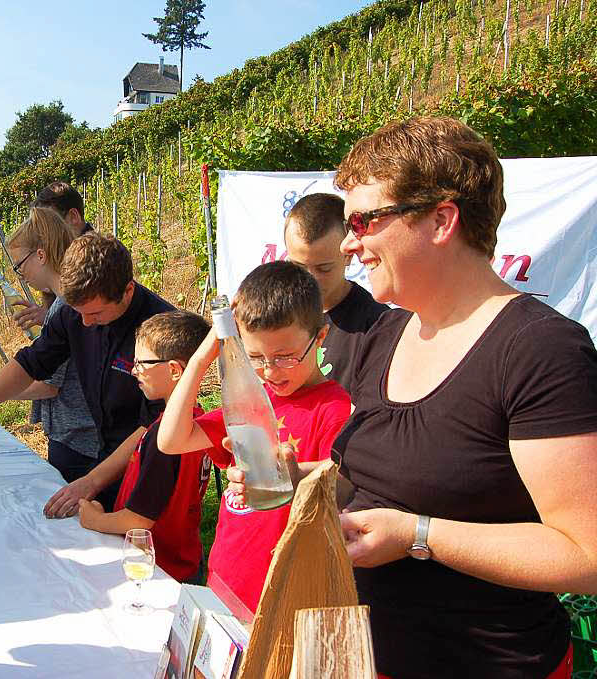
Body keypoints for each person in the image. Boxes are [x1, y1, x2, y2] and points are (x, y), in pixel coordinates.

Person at [233, 117, 597, 678]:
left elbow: (586, 555)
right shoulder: (387, 335)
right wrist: (301, 479)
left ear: (441, 219)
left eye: (364, 219)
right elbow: (388, 477)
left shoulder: (538, 350)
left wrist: (420, 536)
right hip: (363, 655)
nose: (351, 242)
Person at [159, 261, 351, 619]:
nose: (270, 371)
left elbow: (343, 483)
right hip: (224, 578)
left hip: (281, 596)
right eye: (256, 357)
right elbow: (170, 440)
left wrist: (293, 473)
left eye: (286, 356)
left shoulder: (334, 408)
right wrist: (203, 357)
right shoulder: (248, 399)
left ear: (320, 337)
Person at [0, 232, 175, 515]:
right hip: (104, 453)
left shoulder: (162, 330)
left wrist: (92, 481)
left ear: (127, 291)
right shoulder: (73, 313)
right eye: (79, 312)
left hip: (152, 465)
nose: (85, 323)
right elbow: (32, 362)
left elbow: (154, 425)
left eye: (96, 313)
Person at [77, 311, 213, 584]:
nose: (133, 370)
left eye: (142, 363)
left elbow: (138, 521)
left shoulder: (165, 438)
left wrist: (94, 520)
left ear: (175, 370)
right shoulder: (200, 424)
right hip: (185, 560)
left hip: (158, 569)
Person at [2, 206, 102, 481]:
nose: (20, 274)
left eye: (19, 266)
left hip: (77, 440)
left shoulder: (64, 307)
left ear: (41, 255)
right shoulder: (63, 304)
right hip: (80, 434)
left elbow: (48, 385)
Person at [283, 192, 389, 390]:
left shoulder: (377, 326)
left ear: (348, 255)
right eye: (298, 266)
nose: (310, 279)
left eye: (324, 268)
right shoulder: (277, 313)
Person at [12, 182, 95, 331]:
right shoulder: (64, 260)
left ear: (73, 217)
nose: (42, 237)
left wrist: (52, 318)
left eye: (52, 222)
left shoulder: (96, 262)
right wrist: (49, 316)